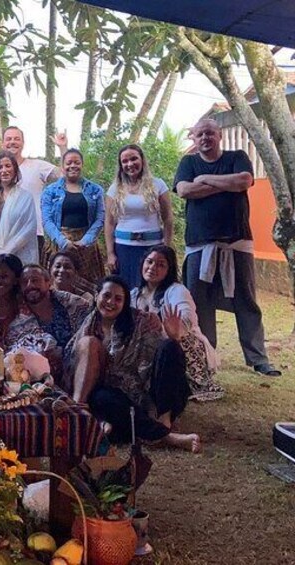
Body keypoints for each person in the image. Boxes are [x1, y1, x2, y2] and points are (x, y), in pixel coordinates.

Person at [174, 118, 280, 377]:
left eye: (209, 133)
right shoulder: (188, 163)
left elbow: (243, 181)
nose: (204, 138)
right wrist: (224, 184)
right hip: (200, 245)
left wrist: (206, 179)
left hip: (237, 242)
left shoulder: (237, 156)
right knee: (200, 303)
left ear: (219, 135)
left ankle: (258, 358)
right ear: (194, 138)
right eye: (199, 135)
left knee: (246, 300)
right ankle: (205, 356)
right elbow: (185, 190)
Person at [65, 276, 200, 452]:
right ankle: (165, 436)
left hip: (146, 391)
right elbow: (72, 361)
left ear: (125, 303)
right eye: (106, 295)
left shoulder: (142, 321)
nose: (110, 302)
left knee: (170, 346)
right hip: (110, 395)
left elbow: (161, 362)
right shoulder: (88, 324)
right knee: (101, 397)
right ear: (97, 295)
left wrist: (172, 335)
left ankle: (160, 421)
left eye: (118, 299)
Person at [131, 245, 224, 402]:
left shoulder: (176, 290)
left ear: (169, 270)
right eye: (150, 262)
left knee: (173, 341)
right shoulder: (134, 294)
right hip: (148, 349)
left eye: (161, 265)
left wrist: (171, 330)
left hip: (183, 346)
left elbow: (187, 318)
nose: (152, 267)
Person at [0, 126, 68, 252]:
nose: (12, 142)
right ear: (3, 144)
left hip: (34, 232)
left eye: (17, 139)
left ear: (23, 143)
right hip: (4, 235)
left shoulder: (37, 166)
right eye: (8, 139)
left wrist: (63, 148)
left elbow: (64, 175)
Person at [105, 144, 174, 287]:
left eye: (134, 159)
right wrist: (110, 253)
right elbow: (109, 222)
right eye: (125, 161)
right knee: (125, 290)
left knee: (151, 289)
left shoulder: (158, 185)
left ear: (142, 160)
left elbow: (168, 219)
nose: (130, 164)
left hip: (152, 248)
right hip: (123, 249)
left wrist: (166, 249)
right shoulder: (114, 189)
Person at [9, 264, 91, 378]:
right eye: (24, 282)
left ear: (48, 282)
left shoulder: (73, 304)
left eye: (35, 280)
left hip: (77, 369)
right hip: (37, 376)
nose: (30, 285)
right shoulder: (17, 319)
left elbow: (91, 326)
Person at [42, 149, 106, 284]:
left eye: (77, 162)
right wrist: (63, 242)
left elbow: (100, 218)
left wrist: (85, 240)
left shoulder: (95, 190)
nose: (73, 166)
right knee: (58, 286)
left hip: (86, 246)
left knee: (88, 286)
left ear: (82, 165)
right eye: (68, 163)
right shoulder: (50, 191)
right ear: (62, 166)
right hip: (59, 243)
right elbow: (47, 220)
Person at [0, 149, 39, 270]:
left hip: (19, 256)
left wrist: (8, 251)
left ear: (15, 169)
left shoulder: (26, 197)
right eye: (0, 167)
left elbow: (29, 227)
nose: (4, 170)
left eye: (8, 166)